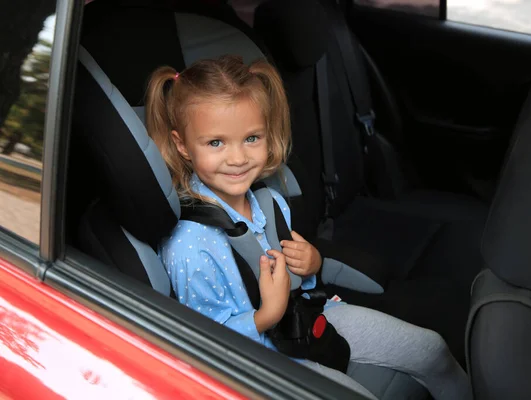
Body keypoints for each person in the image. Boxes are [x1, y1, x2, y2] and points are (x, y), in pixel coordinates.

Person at [146, 55, 471, 400]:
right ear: (182, 145)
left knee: (431, 349)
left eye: (252, 138)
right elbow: (205, 345)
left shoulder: (269, 202)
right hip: (258, 358)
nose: (238, 158)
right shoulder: (190, 246)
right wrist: (265, 315)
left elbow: (297, 280)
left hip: (306, 314)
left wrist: (311, 264)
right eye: (216, 143)